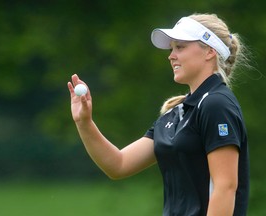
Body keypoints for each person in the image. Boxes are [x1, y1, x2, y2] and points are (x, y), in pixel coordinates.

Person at [67, 13, 250, 216]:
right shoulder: (177, 112)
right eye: (172, 48)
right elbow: (118, 165)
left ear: (209, 51)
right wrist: (84, 122)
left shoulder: (216, 105)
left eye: (180, 47)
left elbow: (225, 188)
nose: (171, 55)